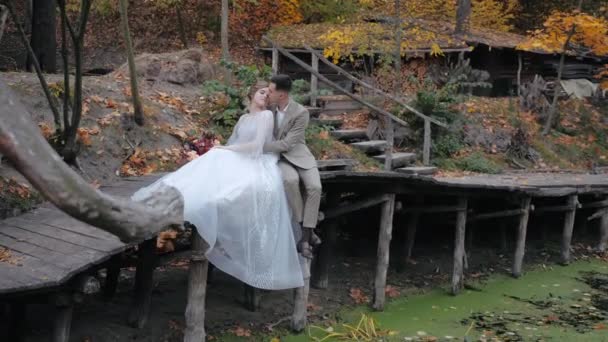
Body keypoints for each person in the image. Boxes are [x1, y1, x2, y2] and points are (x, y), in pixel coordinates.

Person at [131, 81, 304, 290]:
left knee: (219, 160)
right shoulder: (243, 119)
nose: (265, 97)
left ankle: (196, 201)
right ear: (251, 94)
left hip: (257, 161)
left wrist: (226, 150)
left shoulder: (266, 116)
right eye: (261, 92)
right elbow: (234, 142)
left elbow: (257, 147)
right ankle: (177, 193)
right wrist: (225, 149)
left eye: (268, 95)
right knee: (214, 158)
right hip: (241, 156)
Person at [264, 75, 323, 259]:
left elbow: (289, 143)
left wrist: (260, 146)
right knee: (290, 180)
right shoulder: (268, 109)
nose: (268, 93)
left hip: (299, 154)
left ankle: (304, 238)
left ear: (282, 95)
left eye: (271, 91)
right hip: (280, 158)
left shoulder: (301, 112)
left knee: (315, 187)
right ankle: (307, 235)